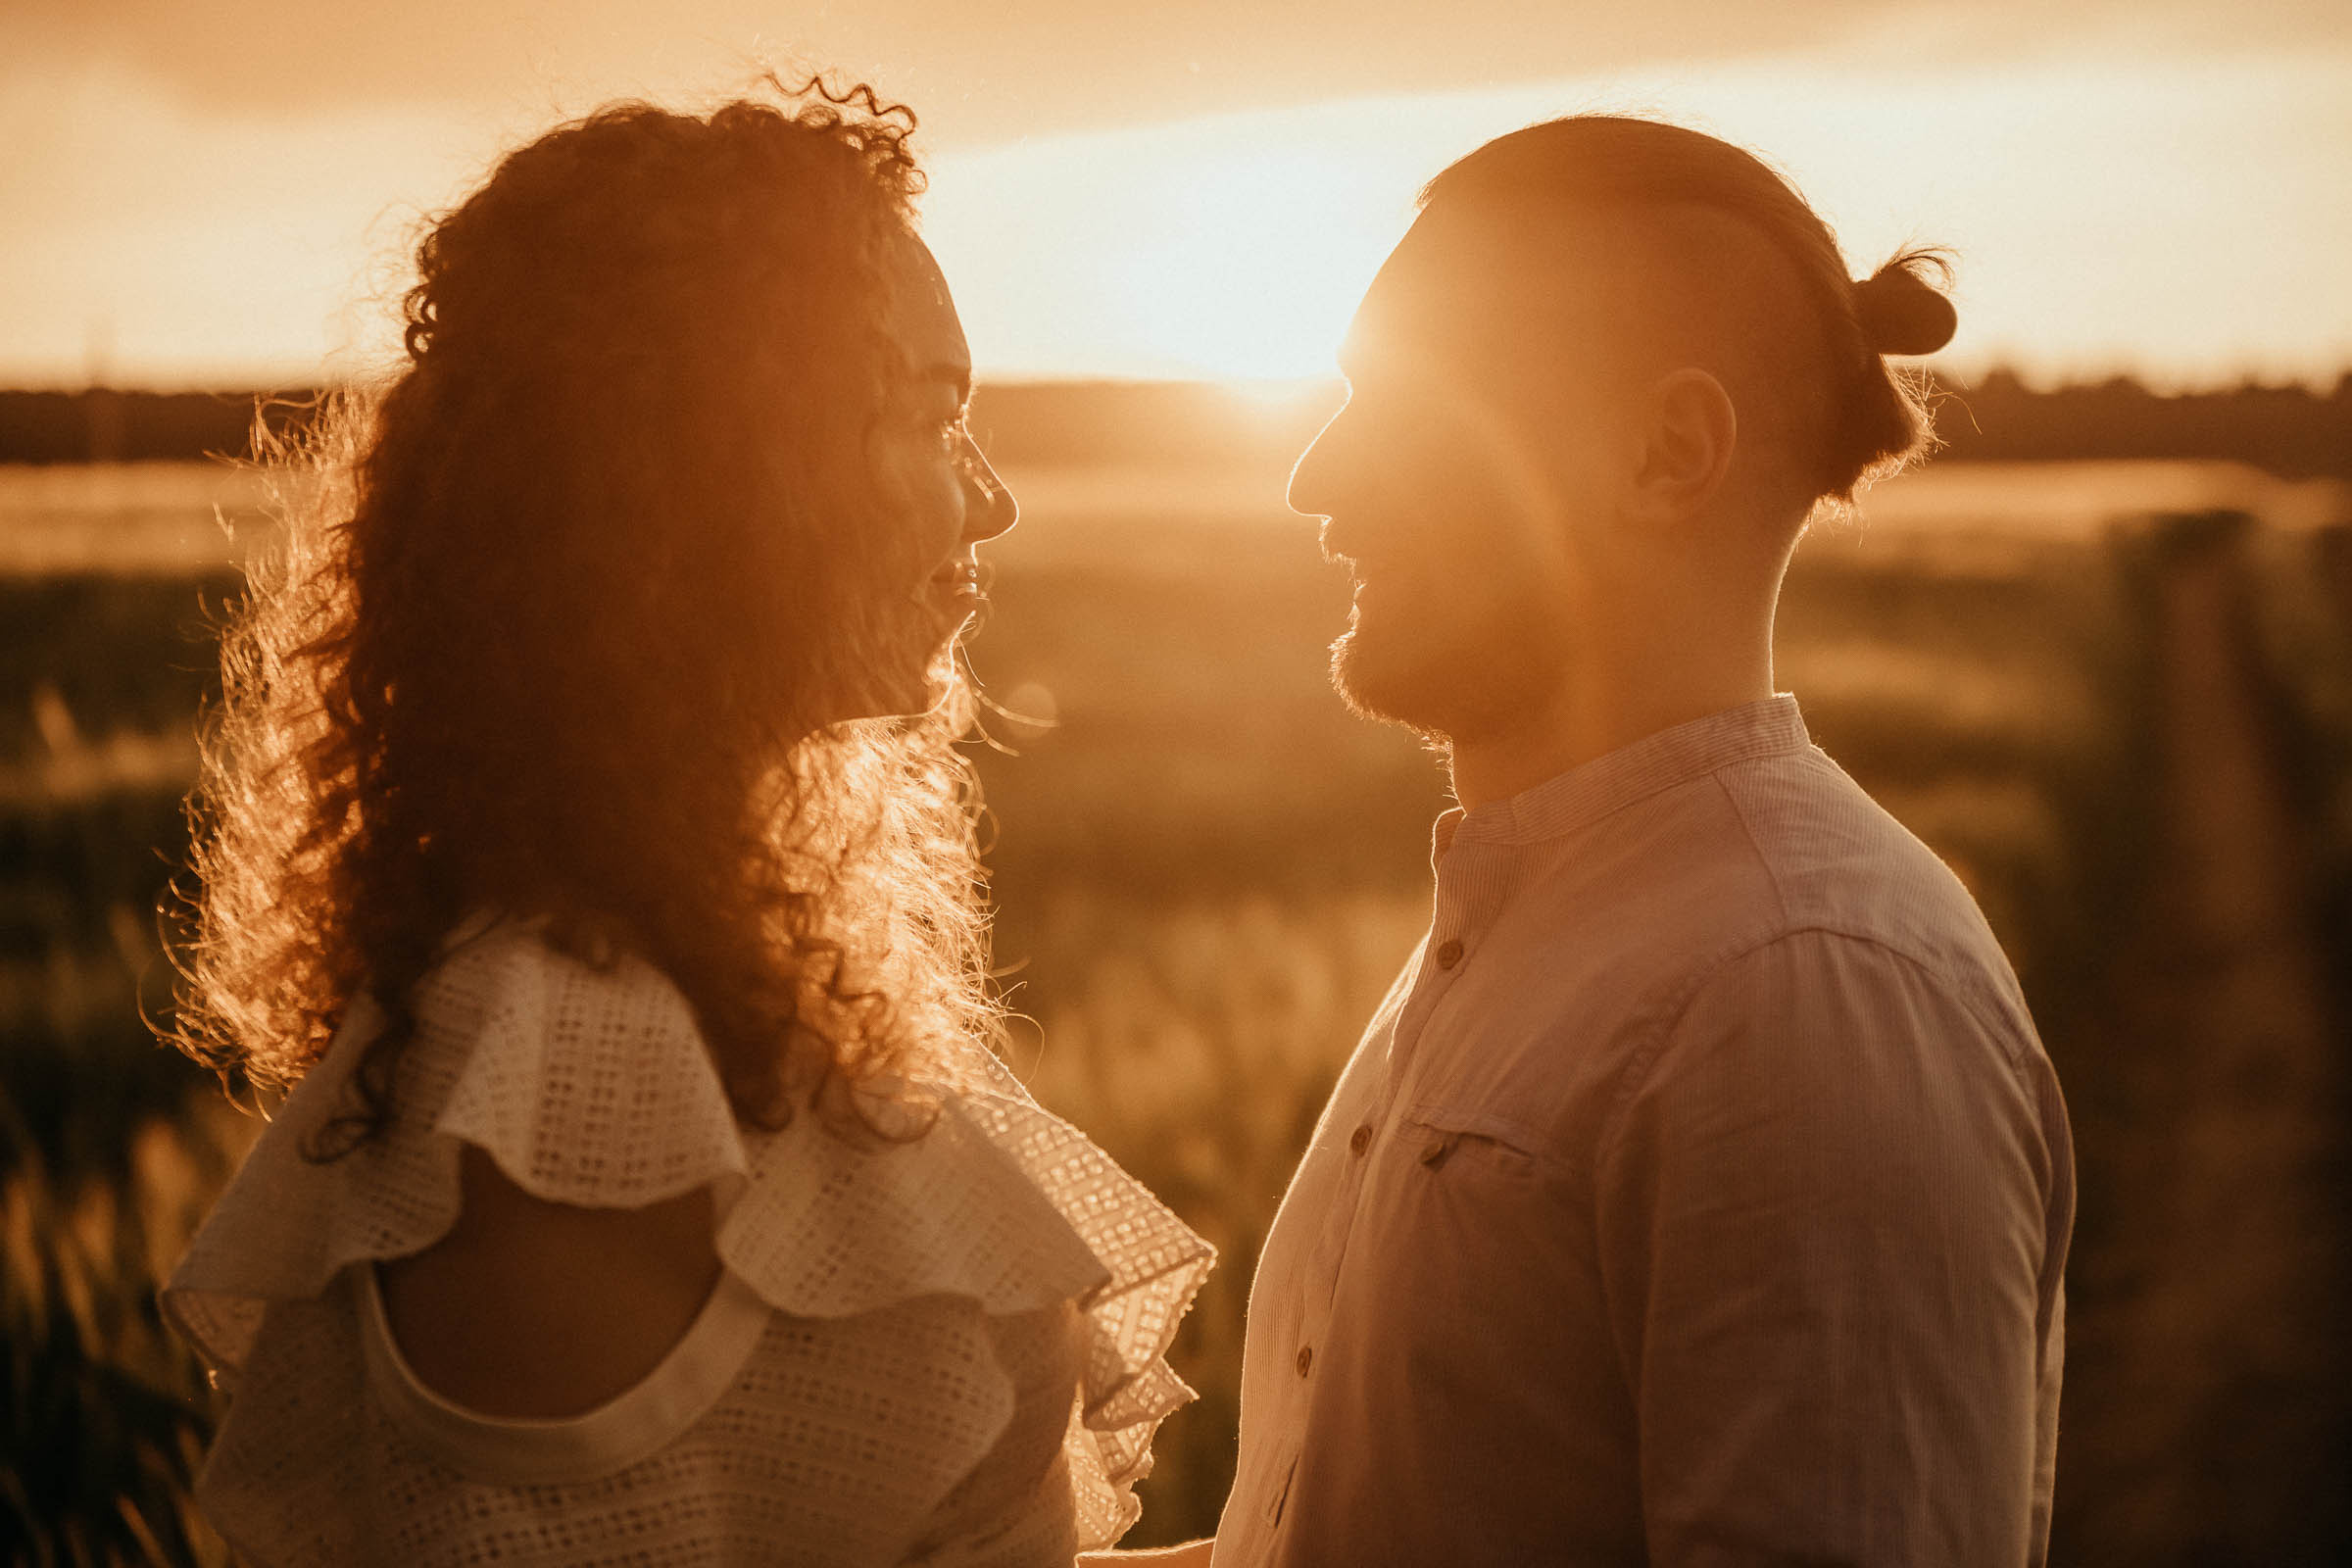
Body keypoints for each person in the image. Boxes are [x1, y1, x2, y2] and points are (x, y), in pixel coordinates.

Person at [163, 81, 1210, 1567]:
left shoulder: (714, 960)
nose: (991, 504)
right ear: (722, 475)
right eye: (929, 418)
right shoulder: (575, 1072)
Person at [1100, 115, 2075, 1567]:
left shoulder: (1799, 994)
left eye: (1406, 405)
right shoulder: (1540, 921)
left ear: (1667, 453)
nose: (1315, 480)